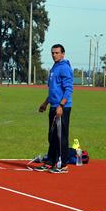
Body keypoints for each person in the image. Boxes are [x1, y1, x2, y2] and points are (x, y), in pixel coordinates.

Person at [37, 44, 73, 174]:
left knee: (61, 136)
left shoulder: (64, 68)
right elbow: (53, 89)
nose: (54, 55)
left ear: (63, 54)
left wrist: (61, 105)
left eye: (57, 53)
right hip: (53, 106)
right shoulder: (54, 67)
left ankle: (63, 165)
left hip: (62, 108)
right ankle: (50, 162)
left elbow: (69, 89)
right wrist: (45, 103)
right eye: (53, 53)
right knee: (52, 136)